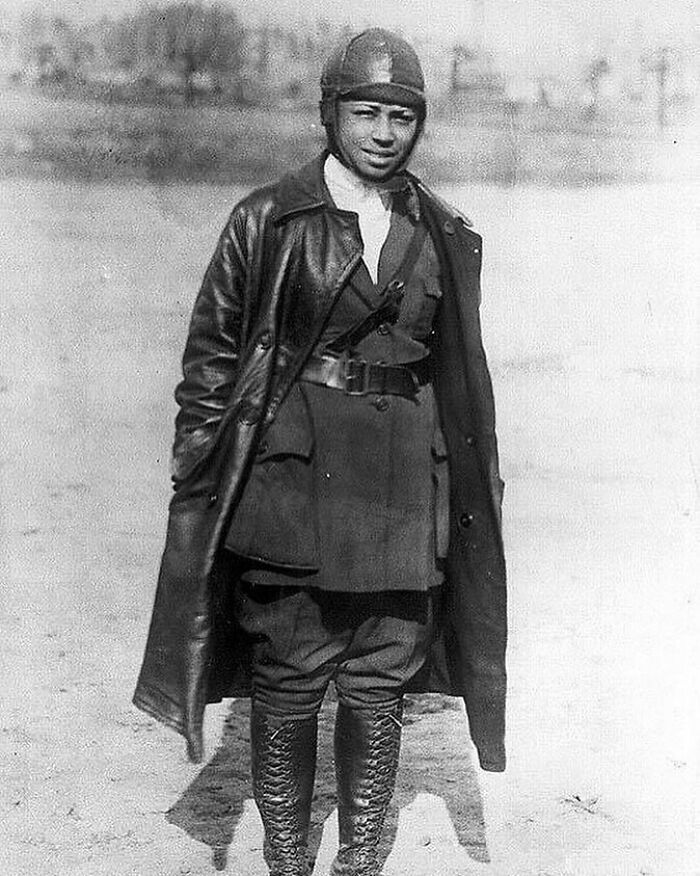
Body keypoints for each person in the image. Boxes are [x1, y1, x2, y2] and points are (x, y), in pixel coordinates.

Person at [134, 27, 507, 876]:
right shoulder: (267, 218)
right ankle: (288, 861)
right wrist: (202, 471)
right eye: (366, 112)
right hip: (294, 482)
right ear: (330, 114)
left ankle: (359, 860)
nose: (383, 133)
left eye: (402, 117)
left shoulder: (444, 230)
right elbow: (210, 362)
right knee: (292, 669)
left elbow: (461, 375)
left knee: (381, 675)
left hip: (404, 487)